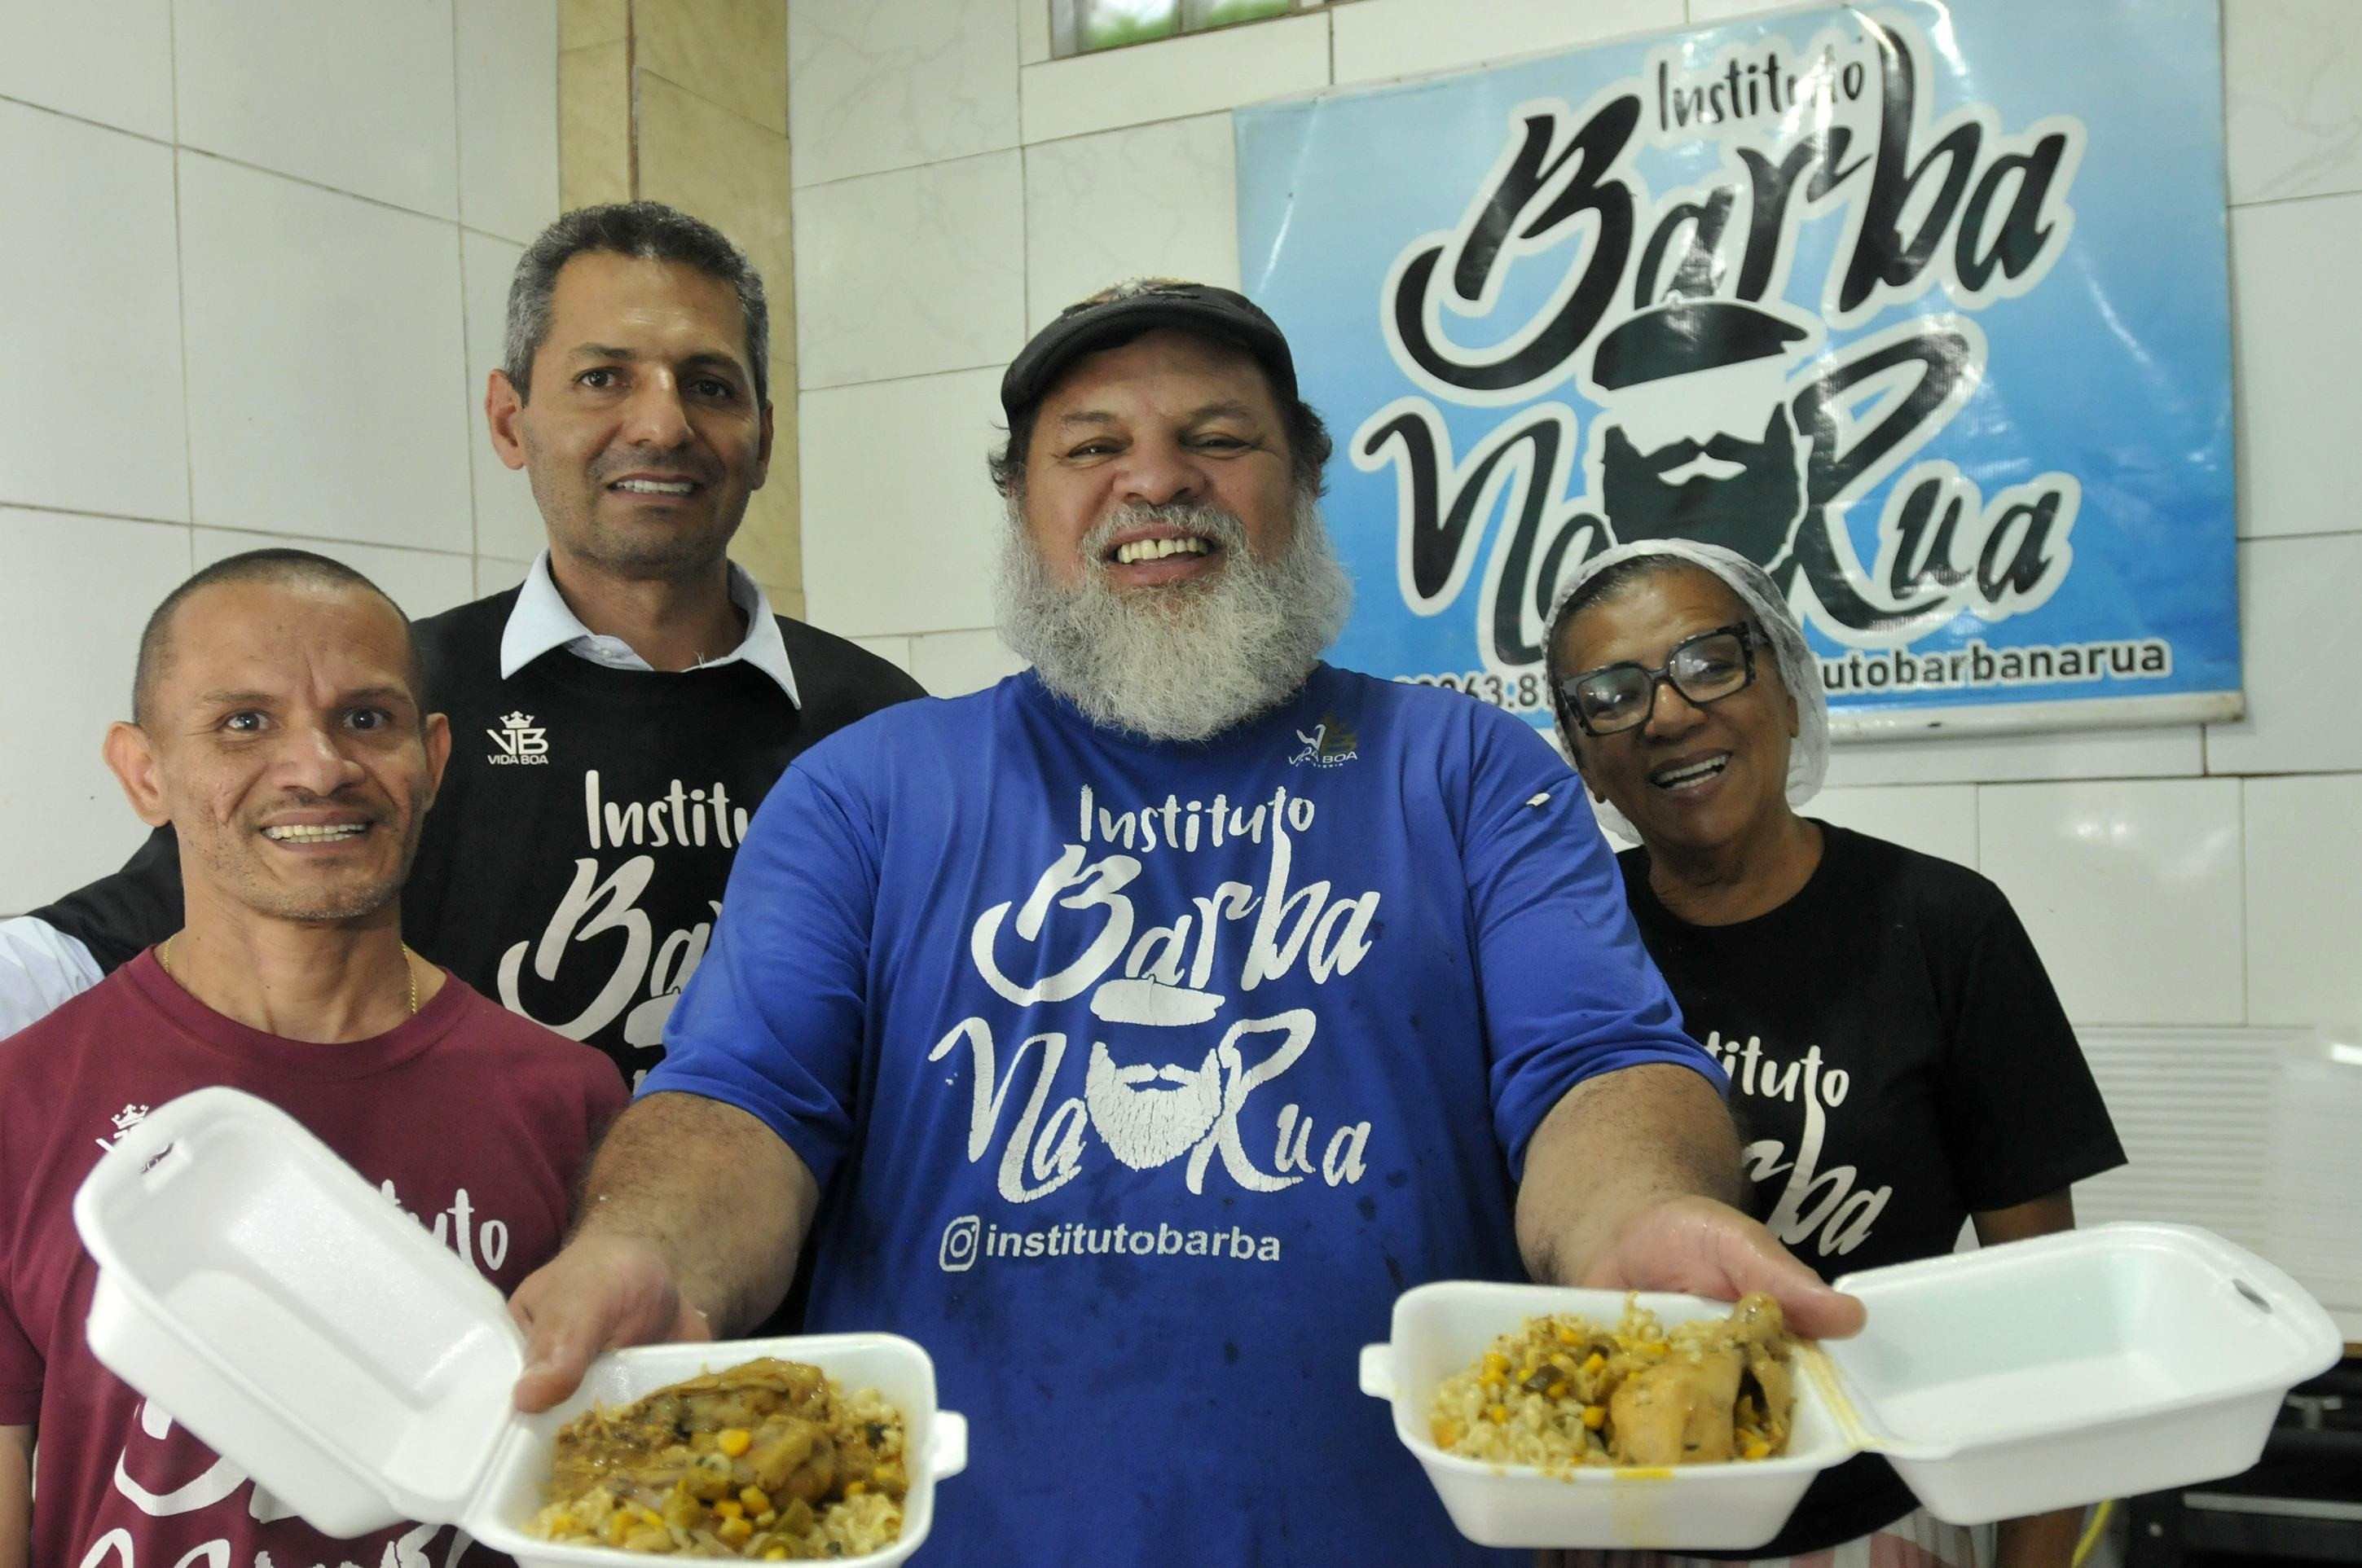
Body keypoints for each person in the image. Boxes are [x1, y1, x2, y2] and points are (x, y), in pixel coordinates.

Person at [504, 280, 1867, 1566]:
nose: (1153, 481)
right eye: (1090, 445)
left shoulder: (1463, 772)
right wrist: (644, 1248)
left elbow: (1590, 1061)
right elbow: (742, 1101)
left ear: (1304, 481)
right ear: (1020, 503)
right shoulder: (866, 793)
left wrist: (1638, 1216)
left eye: (1215, 438)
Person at [0, 202, 923, 1089]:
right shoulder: (382, 709)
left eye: (710, 385)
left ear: (764, 436)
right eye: (603, 378)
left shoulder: (882, 727)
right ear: (509, 419)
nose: (661, 424)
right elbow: (94, 948)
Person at [0, 551, 627, 1568]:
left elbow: (601, 1498)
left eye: (367, 718)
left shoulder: (570, 1098)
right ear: (144, 770)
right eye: (243, 722)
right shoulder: (22, 1101)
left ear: (432, 757)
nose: (319, 764)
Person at [1542, 539, 2127, 1568]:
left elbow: (2048, 1312)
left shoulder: (1943, 925)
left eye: (1709, 661)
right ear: (1582, 753)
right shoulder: (1560, 945)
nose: (1667, 712)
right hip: (1625, 1517)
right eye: (1612, 693)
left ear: (1788, 687)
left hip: (1879, 1510)